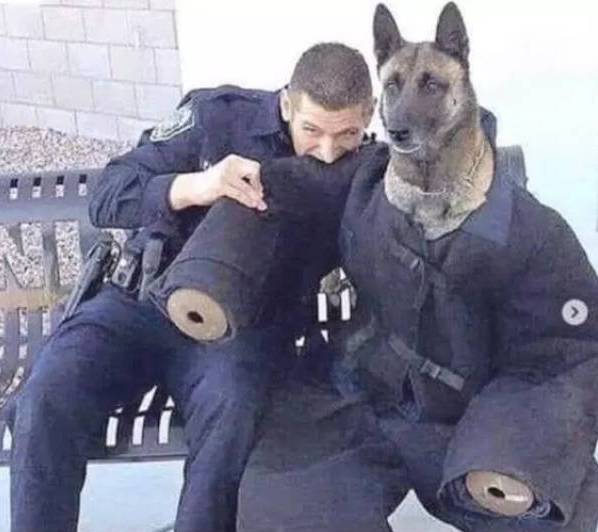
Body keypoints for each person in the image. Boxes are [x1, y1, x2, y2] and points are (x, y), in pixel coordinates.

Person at [9, 42, 375, 532]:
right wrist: (198, 186)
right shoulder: (219, 118)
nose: (327, 150)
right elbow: (108, 194)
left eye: (346, 134)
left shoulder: (366, 171)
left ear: (369, 114)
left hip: (239, 334)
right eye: (312, 130)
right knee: (46, 396)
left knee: (231, 420)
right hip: (139, 302)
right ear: (288, 103)